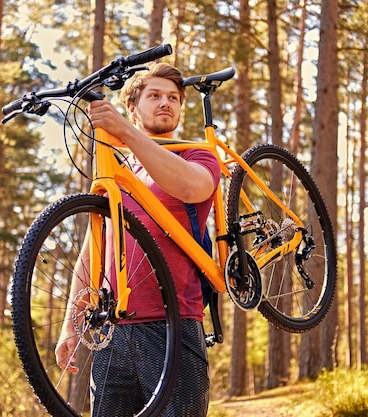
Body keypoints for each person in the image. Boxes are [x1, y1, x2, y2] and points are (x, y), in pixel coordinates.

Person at [55, 62, 220, 417]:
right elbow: (92, 251)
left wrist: (128, 134)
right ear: (133, 106)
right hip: (112, 331)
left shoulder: (194, 153)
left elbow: (193, 186)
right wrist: (71, 322)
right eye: (155, 95)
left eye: (174, 98)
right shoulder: (118, 175)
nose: (166, 103)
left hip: (173, 324)